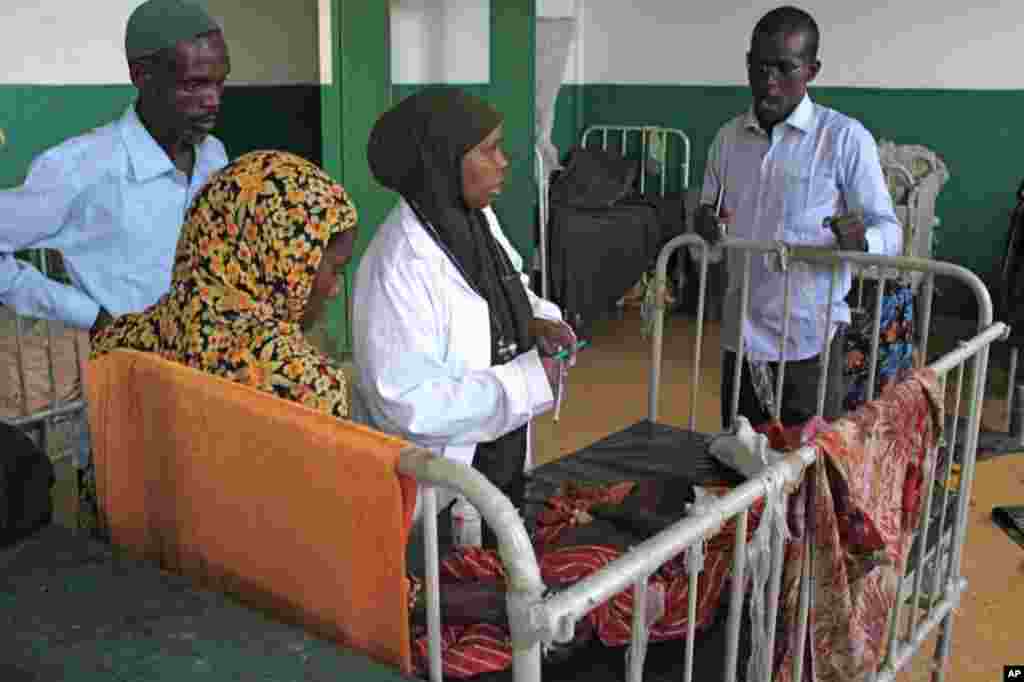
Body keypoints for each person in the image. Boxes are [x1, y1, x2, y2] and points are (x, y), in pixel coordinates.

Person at [352, 87, 576, 542]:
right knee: (457, 576)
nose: (503, 161)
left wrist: (537, 319)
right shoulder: (399, 265)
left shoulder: (475, 218)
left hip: (498, 455)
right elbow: (405, 403)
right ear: (443, 160)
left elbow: (509, 284)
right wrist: (527, 383)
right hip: (441, 490)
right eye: (489, 150)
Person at [695, 6, 901, 430]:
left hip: (810, 342)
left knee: (809, 461)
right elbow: (710, 229)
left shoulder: (843, 139)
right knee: (739, 456)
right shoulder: (727, 140)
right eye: (759, 66)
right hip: (741, 337)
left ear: (811, 70)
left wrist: (862, 241)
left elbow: (889, 231)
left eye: (784, 68)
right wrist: (704, 230)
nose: (769, 80)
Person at [0, 0, 230, 336]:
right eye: (193, 85)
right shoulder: (79, 167)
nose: (213, 100)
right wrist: (88, 314)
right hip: (126, 361)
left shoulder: (214, 157)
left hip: (205, 355)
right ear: (142, 76)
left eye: (219, 83)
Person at [92, 150, 358, 416]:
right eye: (335, 269)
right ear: (284, 260)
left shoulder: (118, 343)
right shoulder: (306, 387)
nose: (335, 289)